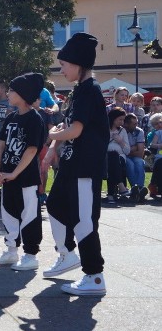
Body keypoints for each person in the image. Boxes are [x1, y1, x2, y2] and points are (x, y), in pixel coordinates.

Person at [42, 32, 108, 296]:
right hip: (72, 165)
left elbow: (76, 131)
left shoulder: (89, 90)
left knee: (84, 221)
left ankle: (94, 276)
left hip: (85, 167)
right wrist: (56, 142)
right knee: (55, 205)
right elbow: (72, 126)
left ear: (79, 65)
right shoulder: (80, 91)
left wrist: (53, 135)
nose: (61, 69)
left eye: (64, 64)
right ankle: (68, 255)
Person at [0, 73, 46, 271]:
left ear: (22, 94)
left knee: (29, 215)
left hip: (26, 178)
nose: (9, 93)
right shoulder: (11, 117)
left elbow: (31, 150)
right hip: (7, 176)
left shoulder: (34, 119)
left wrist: (15, 173)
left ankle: (31, 255)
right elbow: (0, 146)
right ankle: (11, 251)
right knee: (8, 214)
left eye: (12, 90)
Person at [104, 108, 130, 204]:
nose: (122, 122)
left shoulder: (122, 131)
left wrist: (120, 141)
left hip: (120, 157)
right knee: (112, 157)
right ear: (113, 118)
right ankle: (121, 187)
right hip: (105, 157)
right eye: (120, 119)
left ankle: (111, 195)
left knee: (114, 157)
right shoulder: (104, 129)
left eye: (123, 120)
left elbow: (127, 151)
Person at [123, 113, 148, 202]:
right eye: (134, 124)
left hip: (134, 156)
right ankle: (137, 189)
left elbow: (141, 153)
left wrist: (128, 150)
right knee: (129, 164)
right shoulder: (122, 131)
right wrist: (134, 148)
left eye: (137, 123)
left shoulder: (139, 131)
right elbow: (122, 151)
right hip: (125, 157)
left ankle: (138, 189)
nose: (136, 125)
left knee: (139, 162)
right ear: (126, 124)